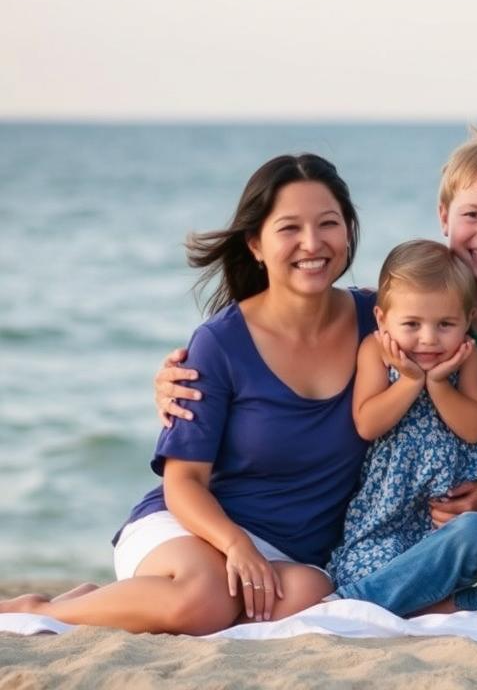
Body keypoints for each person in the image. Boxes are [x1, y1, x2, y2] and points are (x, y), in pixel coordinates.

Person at [0, 154, 377, 634]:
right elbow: (184, 482)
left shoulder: (383, 321)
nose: (312, 243)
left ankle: (117, 602)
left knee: (311, 597)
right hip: (195, 528)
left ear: (348, 232)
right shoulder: (220, 343)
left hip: (292, 554)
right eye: (289, 228)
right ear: (255, 244)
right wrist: (236, 544)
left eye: (328, 223)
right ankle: (38, 611)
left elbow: (470, 321)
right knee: (205, 600)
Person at [326, 239, 477, 586]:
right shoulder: (375, 349)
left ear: (468, 318)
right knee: (370, 564)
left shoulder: (467, 355)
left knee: (472, 549)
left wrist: (439, 384)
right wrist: (410, 380)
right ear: (382, 319)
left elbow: (475, 428)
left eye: (445, 324)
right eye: (412, 325)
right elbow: (368, 424)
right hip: (392, 503)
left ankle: (434, 592)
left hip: (448, 498)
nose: (429, 339)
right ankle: (399, 594)